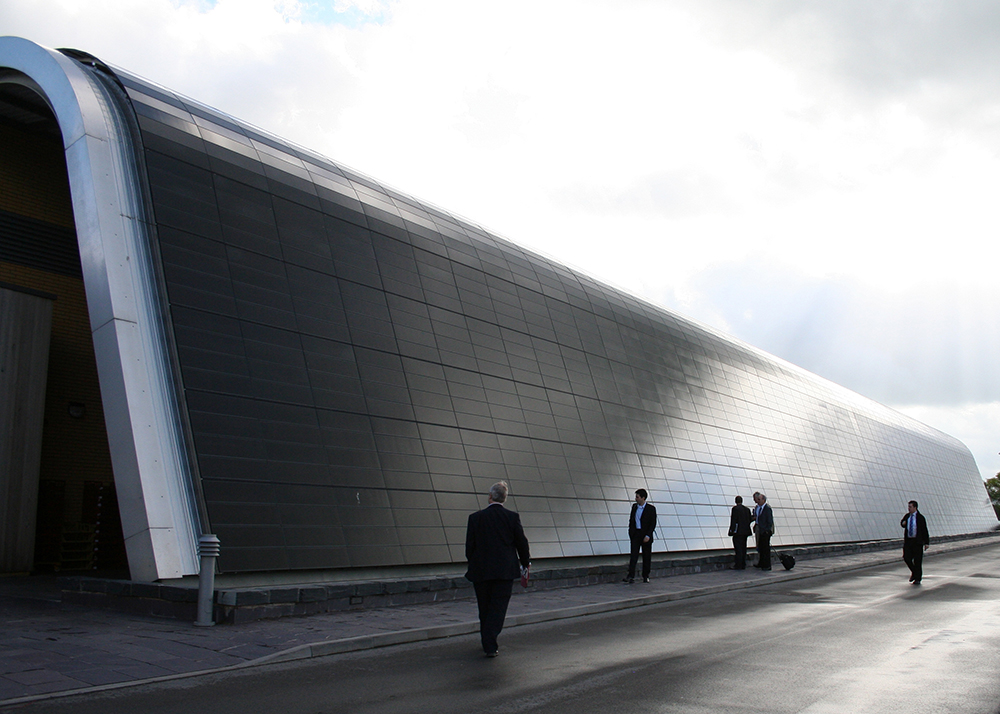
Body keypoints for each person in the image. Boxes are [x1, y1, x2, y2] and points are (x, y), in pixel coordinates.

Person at [465, 481, 531, 657]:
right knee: (498, 607)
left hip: (481, 571)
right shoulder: (512, 517)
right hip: (504, 571)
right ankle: (490, 642)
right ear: (504, 499)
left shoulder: (475, 518)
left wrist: (474, 562)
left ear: (489, 497)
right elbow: (521, 543)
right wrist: (525, 562)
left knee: (484, 606)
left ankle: (486, 640)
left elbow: (469, 547)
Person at [623, 488, 657, 583]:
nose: (636, 499)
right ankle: (631, 576)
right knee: (634, 555)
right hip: (636, 534)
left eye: (637, 497)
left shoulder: (651, 509)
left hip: (645, 535)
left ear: (643, 498)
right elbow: (632, 520)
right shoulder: (634, 507)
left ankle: (645, 576)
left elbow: (652, 523)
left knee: (646, 556)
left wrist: (648, 535)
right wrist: (631, 532)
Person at [900, 500, 930, 584]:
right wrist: (903, 523)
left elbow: (924, 530)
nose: (908, 508)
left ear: (915, 507)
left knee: (917, 560)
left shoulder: (920, 518)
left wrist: (926, 542)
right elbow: (902, 524)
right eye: (908, 507)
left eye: (910, 507)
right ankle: (914, 572)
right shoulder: (907, 516)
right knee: (907, 557)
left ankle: (917, 578)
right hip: (909, 541)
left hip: (917, 542)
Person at [728, 495, 753, 569]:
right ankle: (743, 564)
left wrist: (731, 530)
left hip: (738, 532)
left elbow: (733, 520)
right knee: (743, 547)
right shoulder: (747, 509)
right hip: (745, 532)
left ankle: (738, 564)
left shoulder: (735, 509)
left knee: (738, 548)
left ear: (736, 501)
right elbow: (749, 520)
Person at [751, 491, 773, 571]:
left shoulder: (767, 508)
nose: (758, 501)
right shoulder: (757, 508)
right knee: (760, 547)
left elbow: (769, 521)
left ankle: (767, 565)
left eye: (759, 499)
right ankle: (761, 563)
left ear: (763, 500)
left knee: (766, 548)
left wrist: (767, 530)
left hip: (765, 531)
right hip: (759, 530)